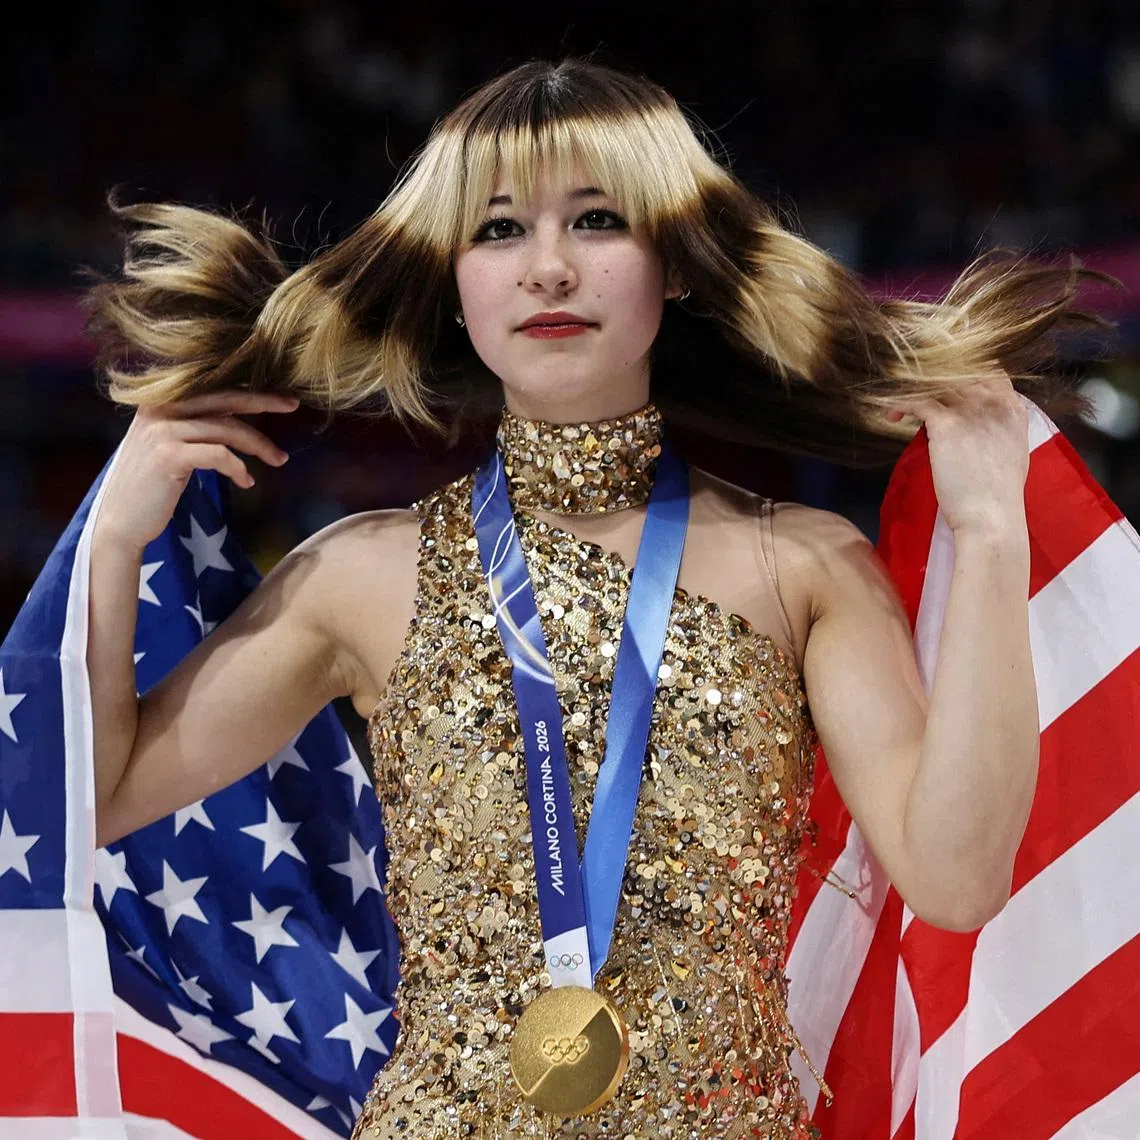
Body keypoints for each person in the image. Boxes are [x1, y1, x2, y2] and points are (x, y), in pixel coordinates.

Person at [82, 57, 1103, 1139]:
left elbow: (957, 878)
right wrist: (111, 539)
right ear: (448, 278)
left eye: (599, 221)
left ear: (676, 262)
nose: (549, 269)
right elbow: (93, 801)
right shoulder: (355, 577)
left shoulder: (804, 565)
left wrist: (993, 533)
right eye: (499, 230)